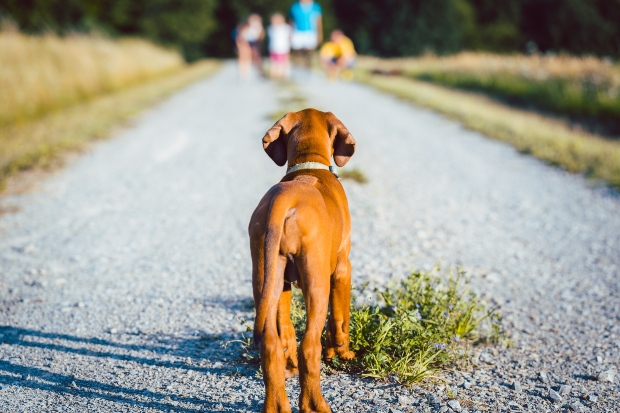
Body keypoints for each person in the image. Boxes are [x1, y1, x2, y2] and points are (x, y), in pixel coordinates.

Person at [289, 0, 322, 72]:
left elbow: (318, 22)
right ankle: (296, 69)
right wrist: (290, 33)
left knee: (309, 52)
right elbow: (291, 21)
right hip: (297, 31)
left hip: (311, 32)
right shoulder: (295, 6)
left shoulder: (316, 7)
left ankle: (308, 70)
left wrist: (319, 34)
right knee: (297, 51)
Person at [267, 13, 292, 80]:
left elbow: (289, 37)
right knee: (274, 62)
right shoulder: (271, 28)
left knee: (283, 62)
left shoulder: (286, 28)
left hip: (283, 48)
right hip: (274, 48)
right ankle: (274, 74)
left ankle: (282, 74)